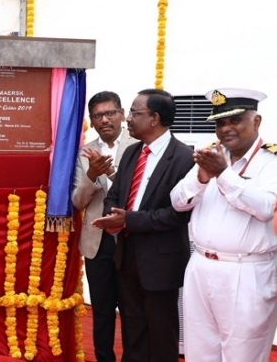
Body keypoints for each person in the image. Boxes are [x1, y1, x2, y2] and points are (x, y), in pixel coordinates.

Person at [170, 88, 277, 361]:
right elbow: (178, 202)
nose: (226, 128)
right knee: (199, 350)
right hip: (201, 264)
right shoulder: (212, 157)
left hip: (246, 271)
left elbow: (264, 208)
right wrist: (202, 178)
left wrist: (223, 174)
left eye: (235, 120)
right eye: (219, 122)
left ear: (256, 121)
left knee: (242, 352)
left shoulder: (271, 162)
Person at [91, 89, 194, 362]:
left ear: (154, 118)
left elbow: (177, 215)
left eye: (135, 113)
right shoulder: (132, 153)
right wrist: (111, 221)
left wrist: (129, 220)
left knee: (161, 335)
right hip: (126, 256)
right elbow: (115, 195)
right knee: (133, 334)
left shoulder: (184, 157)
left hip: (161, 262)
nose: (128, 120)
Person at [71, 91, 137, 362]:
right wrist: (91, 176)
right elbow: (77, 201)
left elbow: (138, 191)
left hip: (132, 241)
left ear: (122, 114)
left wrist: (109, 172)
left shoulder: (139, 145)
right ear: (92, 120)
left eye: (110, 113)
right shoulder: (85, 153)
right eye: (98, 115)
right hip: (97, 244)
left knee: (133, 310)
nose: (104, 119)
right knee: (102, 310)